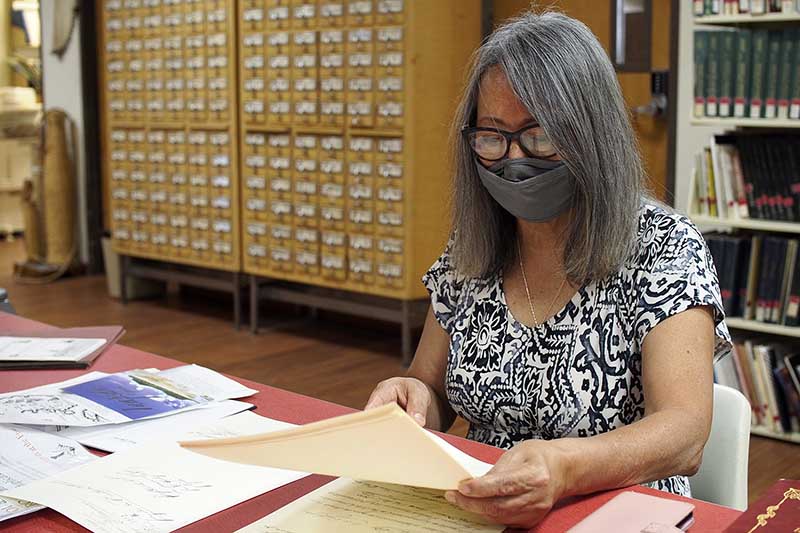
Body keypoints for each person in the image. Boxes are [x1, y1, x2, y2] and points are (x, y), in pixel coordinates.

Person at [365, 10, 731, 529]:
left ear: (591, 134)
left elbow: (684, 432)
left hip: (621, 514)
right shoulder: (472, 249)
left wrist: (564, 468)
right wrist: (412, 398)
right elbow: (434, 390)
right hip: (485, 512)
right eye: (491, 137)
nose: (514, 160)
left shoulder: (662, 248)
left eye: (539, 137)